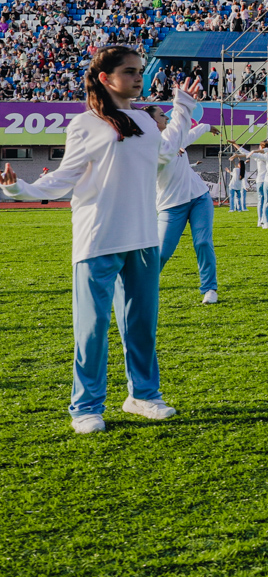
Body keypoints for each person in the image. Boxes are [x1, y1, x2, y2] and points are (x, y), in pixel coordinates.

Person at [0, 48, 201, 434]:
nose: (138, 78)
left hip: (142, 237)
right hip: (98, 238)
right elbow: (63, 178)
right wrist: (18, 190)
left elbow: (167, 148)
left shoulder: (143, 119)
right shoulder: (84, 125)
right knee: (91, 330)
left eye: (140, 71)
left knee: (142, 325)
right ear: (106, 78)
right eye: (129, 72)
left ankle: (143, 396)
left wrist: (183, 106)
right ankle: (86, 407)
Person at [150, 101, 220, 304]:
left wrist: (207, 127)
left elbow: (190, 134)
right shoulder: (147, 148)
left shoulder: (174, 138)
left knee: (203, 242)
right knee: (162, 251)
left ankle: (209, 289)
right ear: (151, 122)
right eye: (162, 115)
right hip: (171, 206)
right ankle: (144, 287)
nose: (166, 117)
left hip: (199, 198)